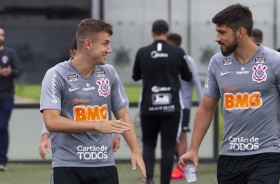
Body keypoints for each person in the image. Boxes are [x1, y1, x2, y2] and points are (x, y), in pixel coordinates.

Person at [178, 3, 280, 184]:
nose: (217, 38)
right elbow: (206, 109)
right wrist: (194, 149)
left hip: (267, 155)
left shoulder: (275, 61)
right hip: (229, 156)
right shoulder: (217, 62)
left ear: (240, 32)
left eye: (222, 32)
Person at [40, 18, 146, 183]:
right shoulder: (55, 75)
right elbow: (52, 121)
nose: (109, 50)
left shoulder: (109, 73)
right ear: (88, 44)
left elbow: (123, 116)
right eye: (105, 43)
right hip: (67, 166)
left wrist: (136, 151)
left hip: (105, 165)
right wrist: (97, 124)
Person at [132, 20, 192, 184]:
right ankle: (165, 182)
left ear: (152, 33)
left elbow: (135, 76)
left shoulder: (143, 52)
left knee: (149, 144)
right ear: (167, 32)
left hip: (148, 107)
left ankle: (149, 179)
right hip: (171, 108)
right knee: (168, 146)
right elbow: (188, 76)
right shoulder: (177, 51)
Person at [167, 33, 203, 179]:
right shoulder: (166, 60)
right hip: (168, 105)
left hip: (184, 105)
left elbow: (196, 81)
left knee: (182, 135)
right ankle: (181, 163)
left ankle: (181, 168)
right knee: (171, 137)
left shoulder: (188, 60)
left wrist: (202, 102)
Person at [0, 25, 22, 172]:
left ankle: (2, 161)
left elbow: (18, 70)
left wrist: (10, 71)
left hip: (6, 96)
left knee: (2, 127)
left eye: (1, 35)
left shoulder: (10, 53)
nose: (0, 37)